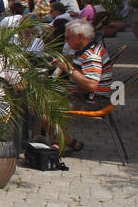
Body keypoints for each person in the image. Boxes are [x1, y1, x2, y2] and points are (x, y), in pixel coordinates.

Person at [47, 19, 111, 152]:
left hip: (93, 101)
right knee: (42, 100)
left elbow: (92, 85)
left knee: (44, 106)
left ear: (80, 37)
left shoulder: (91, 55)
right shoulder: (86, 50)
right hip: (85, 96)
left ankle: (62, 143)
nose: (66, 41)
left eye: (68, 37)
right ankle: (63, 141)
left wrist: (68, 69)